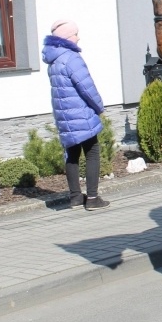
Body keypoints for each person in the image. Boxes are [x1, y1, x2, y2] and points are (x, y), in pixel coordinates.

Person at [42, 20, 110, 211]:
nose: (78, 37)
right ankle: (93, 199)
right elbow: (86, 87)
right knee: (92, 153)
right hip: (80, 113)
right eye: (75, 34)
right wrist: (99, 107)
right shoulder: (71, 58)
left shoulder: (53, 59)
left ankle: (75, 198)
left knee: (71, 154)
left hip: (64, 115)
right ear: (67, 38)